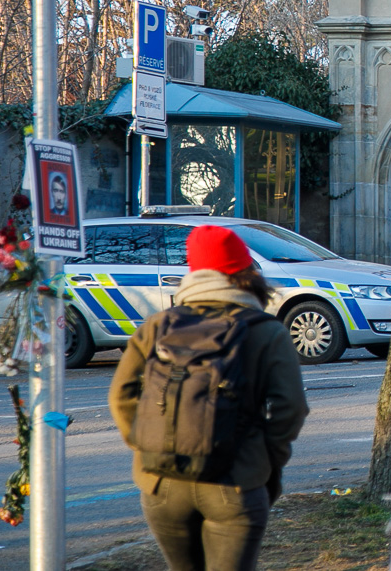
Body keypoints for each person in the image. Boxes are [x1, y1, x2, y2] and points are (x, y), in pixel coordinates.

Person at [110, 225, 309, 571]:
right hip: (236, 482)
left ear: (194, 272)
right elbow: (290, 408)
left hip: (162, 483)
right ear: (246, 272)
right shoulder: (266, 332)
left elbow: (121, 395)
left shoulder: (159, 325)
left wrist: (151, 445)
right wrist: (266, 462)